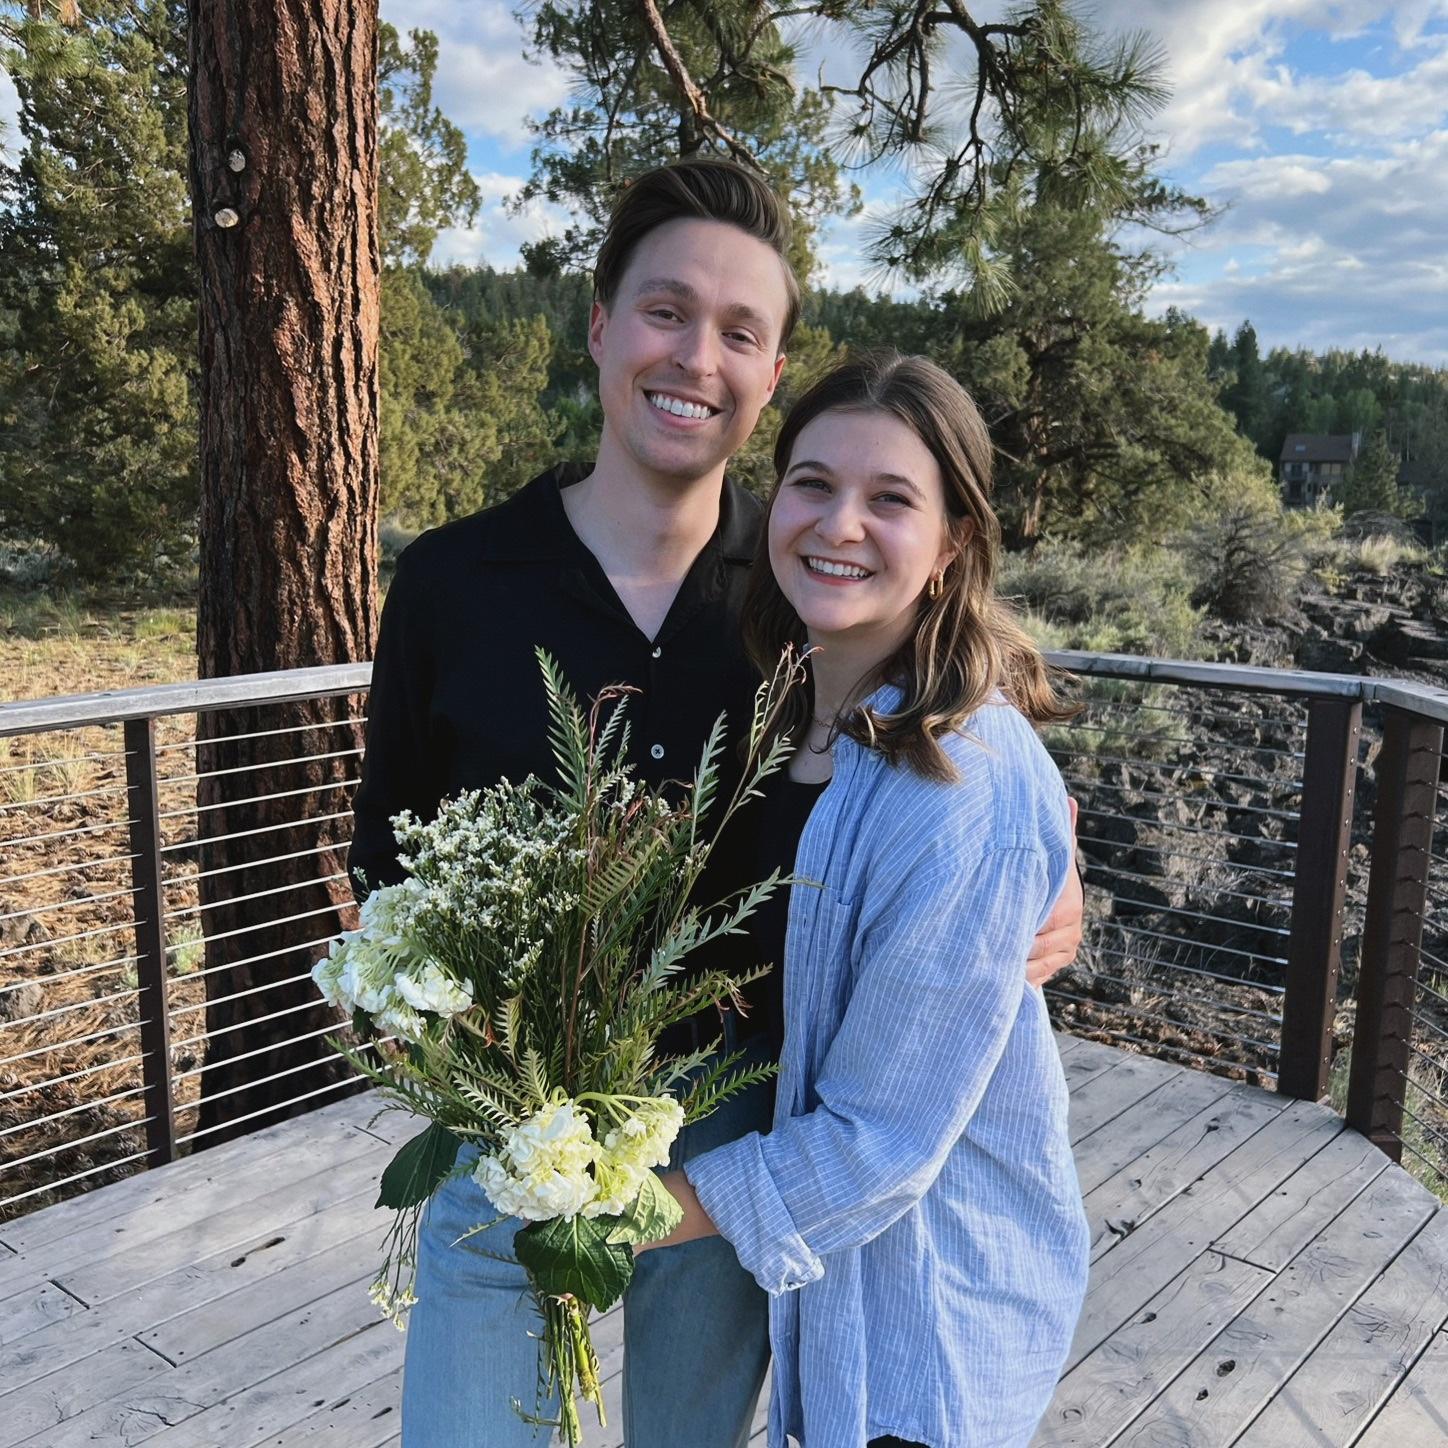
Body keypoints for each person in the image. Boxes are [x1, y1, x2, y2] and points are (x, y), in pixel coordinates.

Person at [347, 161, 1084, 1448]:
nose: (696, 355)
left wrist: (1055, 855)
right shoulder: (456, 582)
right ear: (598, 324)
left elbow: (954, 713)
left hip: (737, 1122)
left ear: (771, 371)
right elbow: (389, 852)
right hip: (508, 1133)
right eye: (665, 310)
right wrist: (435, 1044)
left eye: (740, 331)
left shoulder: (800, 580)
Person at [645, 353, 1091, 1448]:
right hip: (829, 1287)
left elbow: (878, 1141)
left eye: (890, 498)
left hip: (924, 1315)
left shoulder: (962, 785)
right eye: (812, 483)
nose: (838, 523)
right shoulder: (782, 708)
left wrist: (617, 1212)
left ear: (951, 544)